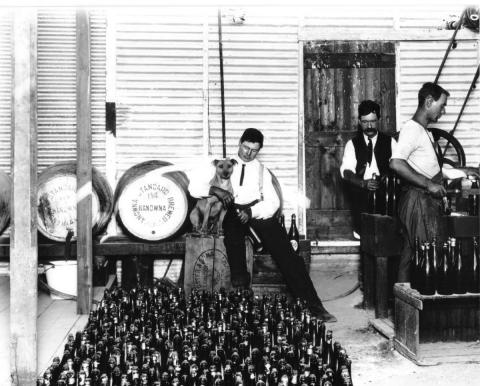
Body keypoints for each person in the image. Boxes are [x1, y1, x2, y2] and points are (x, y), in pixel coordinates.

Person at [189, 128, 337, 322]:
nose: (248, 153)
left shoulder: (262, 170)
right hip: (230, 210)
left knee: (286, 251)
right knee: (233, 243)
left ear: (259, 151)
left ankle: (314, 305)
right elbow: (193, 188)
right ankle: (243, 301)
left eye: (254, 150)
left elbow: (273, 202)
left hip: (255, 211)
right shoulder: (222, 164)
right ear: (239, 143)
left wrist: (251, 212)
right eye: (245, 147)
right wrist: (216, 190)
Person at [390, 82, 478, 282]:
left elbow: (434, 171)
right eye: (442, 105)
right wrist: (428, 185)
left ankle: (408, 307)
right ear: (429, 101)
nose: (444, 111)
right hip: (417, 200)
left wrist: (466, 171)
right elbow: (396, 163)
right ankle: (416, 307)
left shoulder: (424, 132)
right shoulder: (412, 129)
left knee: (412, 254)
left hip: (422, 200)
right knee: (426, 254)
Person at [340, 100, 396, 238]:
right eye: (365, 122)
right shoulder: (352, 144)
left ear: (379, 120)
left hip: (385, 190)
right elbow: (346, 171)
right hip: (362, 191)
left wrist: (385, 179)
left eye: (373, 121)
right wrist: (363, 183)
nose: (369, 126)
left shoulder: (390, 142)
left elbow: (398, 166)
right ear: (359, 121)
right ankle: (362, 232)